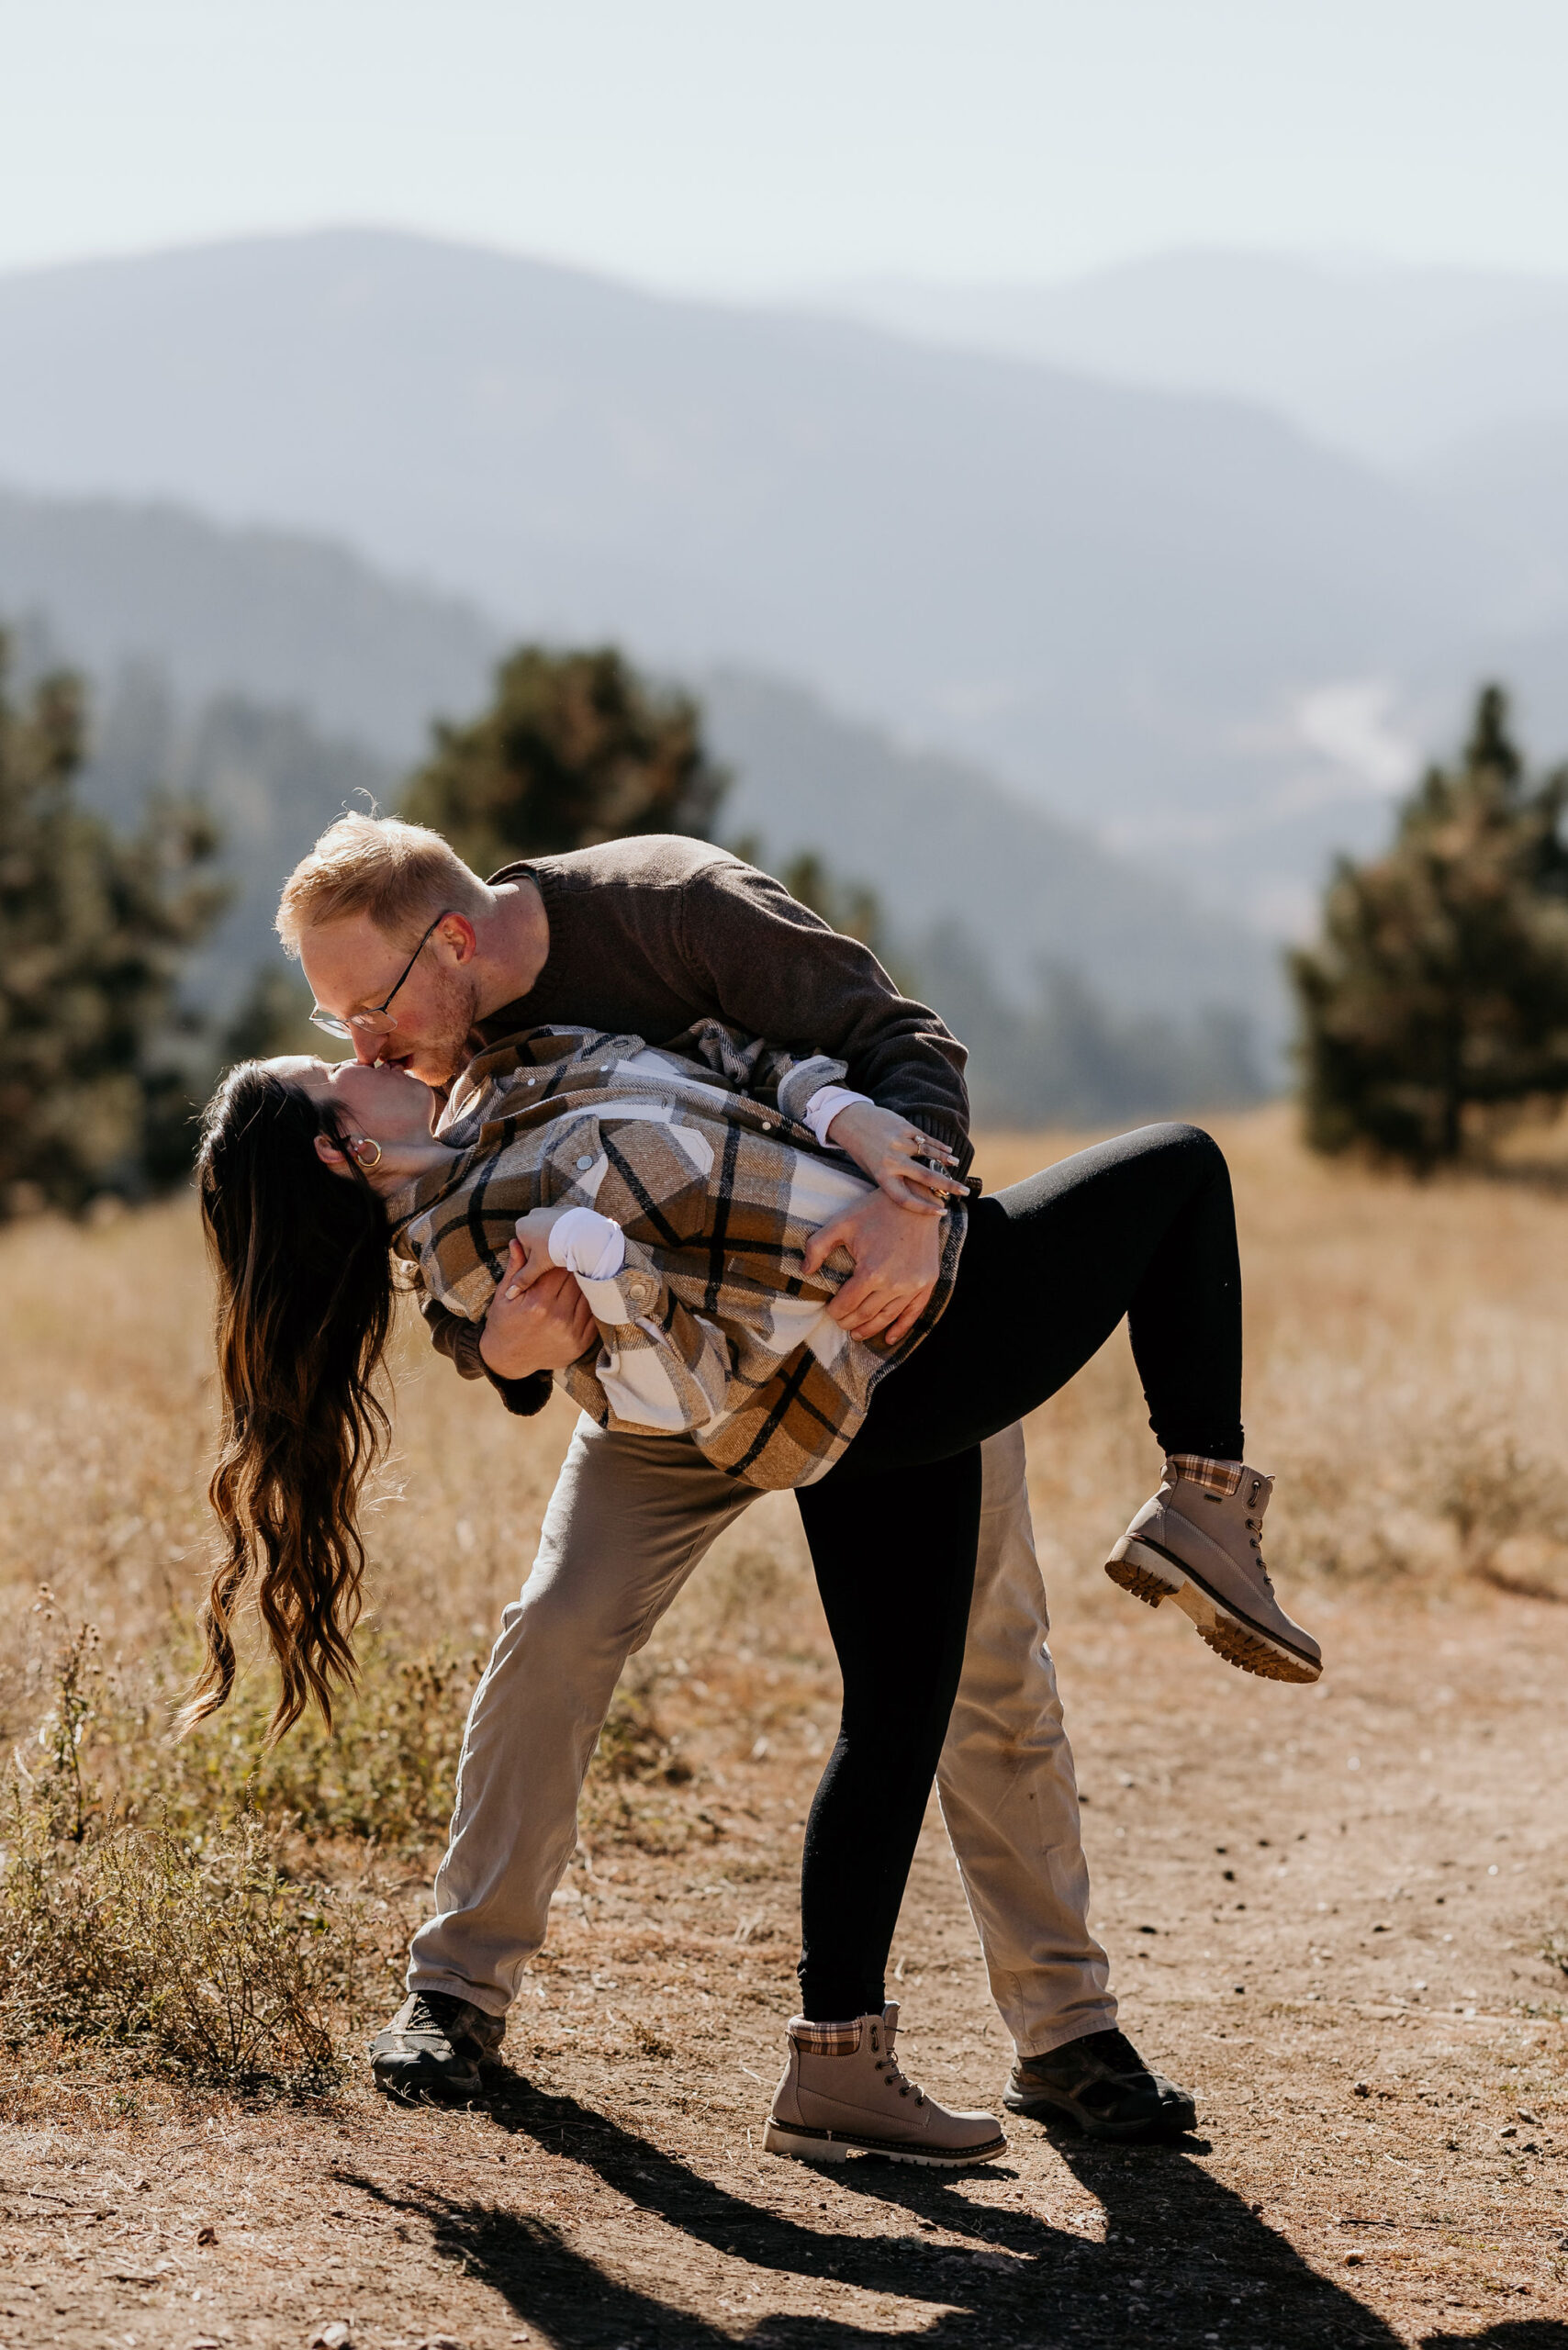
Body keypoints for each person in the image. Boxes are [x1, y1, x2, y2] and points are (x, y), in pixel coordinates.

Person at [264, 813, 1313, 2145]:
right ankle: (455, 1998)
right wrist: (501, 1349)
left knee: (989, 1669)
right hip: (664, 1390)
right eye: (334, 1017)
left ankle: (1066, 2036)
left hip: (857, 1314)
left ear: (452, 939)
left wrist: (916, 1220)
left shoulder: (668, 909)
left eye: (369, 1003)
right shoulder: (431, 1056)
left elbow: (903, 1045)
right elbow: (459, 1253)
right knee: (559, 1631)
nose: (360, 1041)